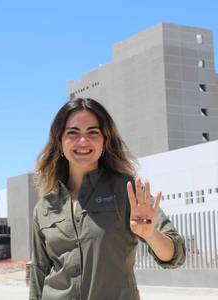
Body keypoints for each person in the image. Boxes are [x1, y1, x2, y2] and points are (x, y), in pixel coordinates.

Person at [30, 98, 186, 300]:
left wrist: (150, 234)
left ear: (105, 141)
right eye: (73, 133)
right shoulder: (44, 207)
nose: (83, 141)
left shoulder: (127, 190)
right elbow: (39, 272)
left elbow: (176, 255)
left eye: (93, 132)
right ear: (60, 141)